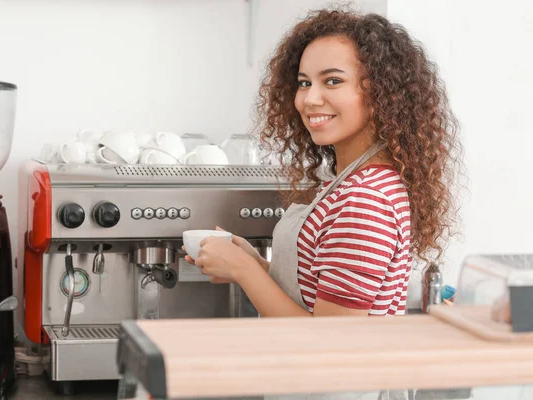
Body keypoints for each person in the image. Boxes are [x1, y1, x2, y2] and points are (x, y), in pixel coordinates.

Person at [186, 8, 462, 319]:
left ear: (380, 94)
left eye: (332, 81)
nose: (309, 99)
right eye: (304, 83)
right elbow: (314, 294)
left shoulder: (366, 199)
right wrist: (252, 263)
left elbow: (332, 339)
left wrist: (245, 270)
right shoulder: (353, 182)